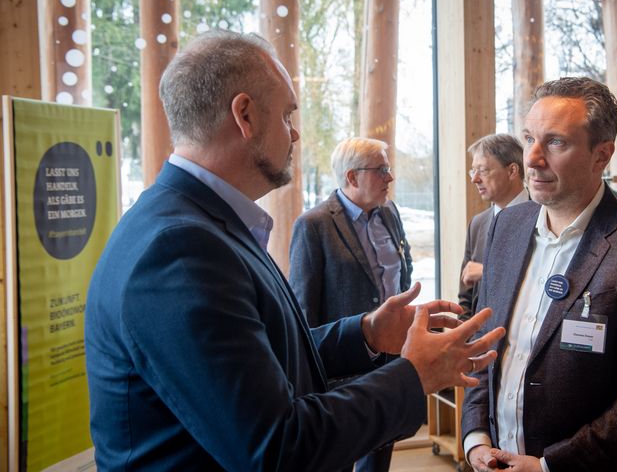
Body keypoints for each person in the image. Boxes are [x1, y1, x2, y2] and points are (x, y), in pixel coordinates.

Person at [84, 30, 505, 472]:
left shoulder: (204, 223)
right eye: (287, 115)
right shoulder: (179, 250)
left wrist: (364, 333)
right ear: (244, 114)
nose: (297, 133)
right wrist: (413, 375)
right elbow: (277, 448)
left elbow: (258, 360)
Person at [461, 77, 617, 472]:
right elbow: (485, 345)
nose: (532, 158)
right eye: (529, 137)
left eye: (555, 143)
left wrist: (550, 466)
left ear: (601, 156)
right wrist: (475, 437)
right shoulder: (504, 227)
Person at [288, 137, 412, 472]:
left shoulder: (389, 213)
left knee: (380, 448)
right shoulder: (313, 225)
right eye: (381, 170)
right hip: (343, 365)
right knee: (338, 456)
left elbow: (403, 267)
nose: (389, 178)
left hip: (389, 357)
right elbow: (303, 310)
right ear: (352, 177)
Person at [458, 134, 528, 317]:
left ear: (512, 171)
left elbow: (541, 280)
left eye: (483, 170)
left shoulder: (545, 218)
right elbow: (466, 296)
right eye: (473, 171)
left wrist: (488, 271)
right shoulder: (477, 224)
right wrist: (465, 340)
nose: (475, 179)